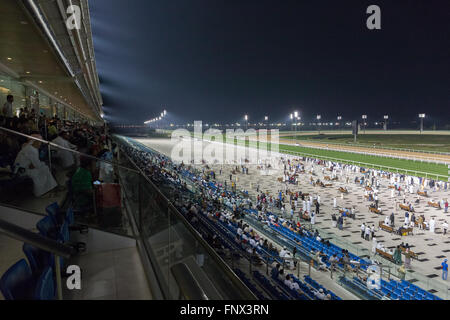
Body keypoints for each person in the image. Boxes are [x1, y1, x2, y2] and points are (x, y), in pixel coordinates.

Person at [14, 133, 58, 197]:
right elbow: (36, 164)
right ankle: (41, 192)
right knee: (43, 170)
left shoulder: (32, 148)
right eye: (39, 142)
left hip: (27, 168)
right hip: (22, 170)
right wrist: (38, 165)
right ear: (34, 142)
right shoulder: (30, 149)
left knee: (45, 168)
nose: (40, 144)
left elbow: (34, 164)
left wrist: (36, 165)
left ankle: (48, 189)